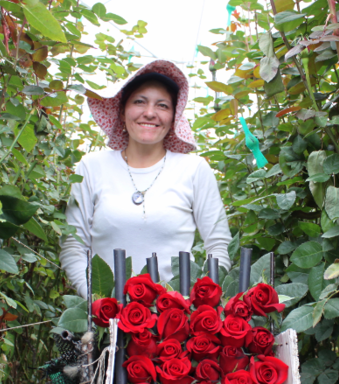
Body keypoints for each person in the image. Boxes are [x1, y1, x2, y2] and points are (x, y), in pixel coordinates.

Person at [60, 60, 232, 299]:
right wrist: (97, 301)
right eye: (139, 101)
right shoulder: (91, 167)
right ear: (122, 110)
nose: (150, 112)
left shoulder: (194, 169)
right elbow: (74, 246)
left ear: (174, 117)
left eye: (162, 105)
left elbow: (219, 244)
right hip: (106, 322)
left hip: (175, 322)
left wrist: (198, 305)